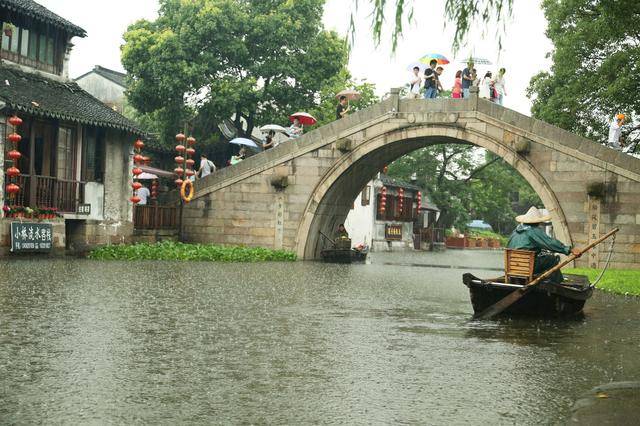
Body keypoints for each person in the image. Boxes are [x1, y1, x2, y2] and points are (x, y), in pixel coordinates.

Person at [507, 207, 581, 283]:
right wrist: (569, 249)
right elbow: (550, 243)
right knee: (551, 259)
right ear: (537, 222)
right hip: (527, 266)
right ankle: (558, 284)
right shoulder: (533, 230)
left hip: (513, 267)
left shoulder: (515, 231)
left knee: (541, 258)